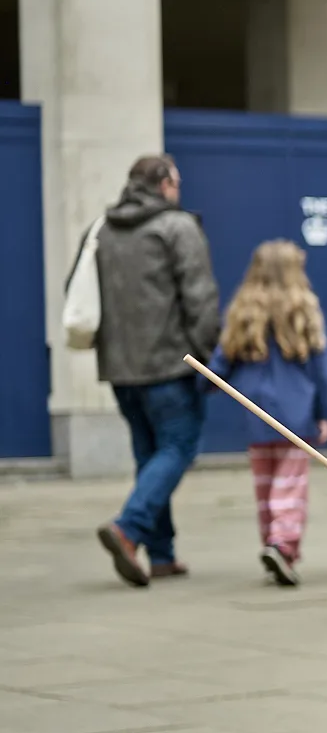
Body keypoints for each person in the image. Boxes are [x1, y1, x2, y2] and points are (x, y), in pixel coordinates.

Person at [85, 153, 221, 586]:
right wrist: (205, 354)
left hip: (120, 368)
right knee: (178, 448)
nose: (179, 190)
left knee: (150, 455)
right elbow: (199, 297)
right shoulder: (176, 227)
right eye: (176, 182)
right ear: (163, 184)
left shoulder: (103, 230)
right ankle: (129, 529)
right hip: (169, 364)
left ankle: (161, 554)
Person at [207, 241, 327, 586]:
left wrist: (205, 382)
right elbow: (320, 370)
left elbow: (222, 360)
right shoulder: (304, 309)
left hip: (255, 413)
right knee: (290, 486)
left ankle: (270, 542)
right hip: (297, 414)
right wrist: (325, 414)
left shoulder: (244, 310)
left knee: (265, 487)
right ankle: (283, 544)